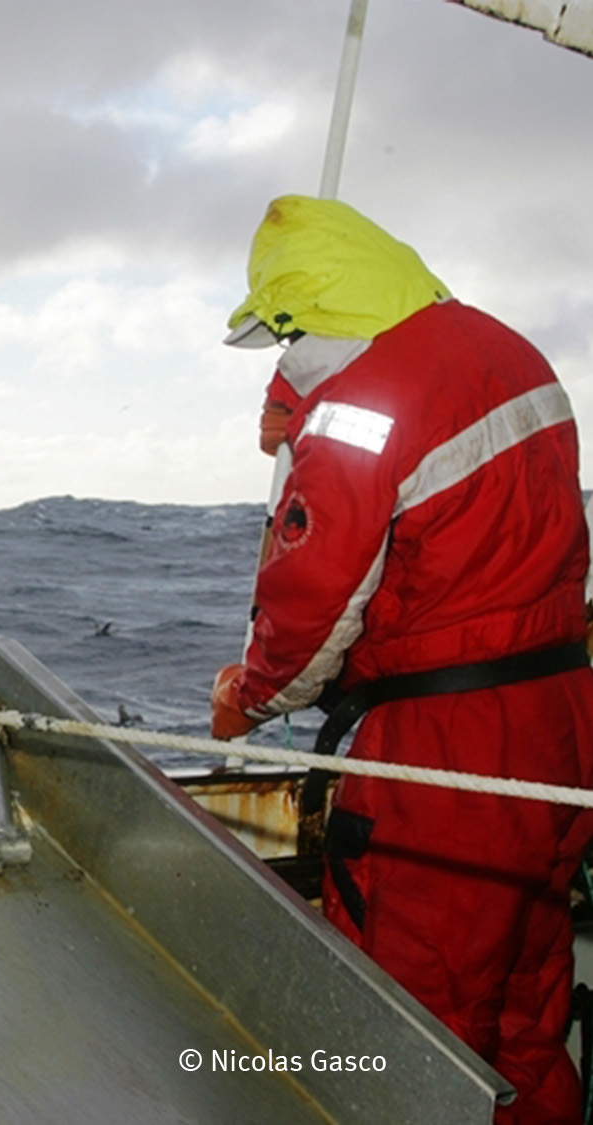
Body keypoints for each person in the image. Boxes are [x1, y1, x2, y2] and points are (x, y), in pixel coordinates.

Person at [210, 194, 593, 1125]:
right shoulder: (506, 350)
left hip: (449, 760)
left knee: (419, 1033)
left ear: (302, 321)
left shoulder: (359, 409)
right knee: (525, 1017)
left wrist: (248, 699)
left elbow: (313, 608)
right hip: (562, 724)